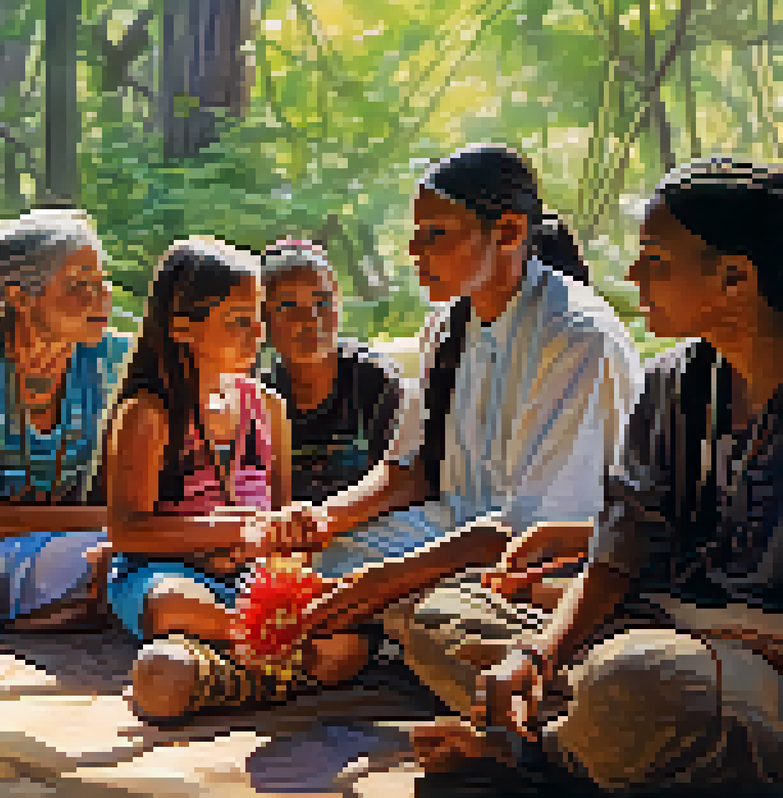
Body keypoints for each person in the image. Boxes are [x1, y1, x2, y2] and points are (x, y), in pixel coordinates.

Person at [139, 144, 643, 722]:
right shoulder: (448, 323)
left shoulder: (576, 336)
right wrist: (316, 524)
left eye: (435, 234)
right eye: (416, 233)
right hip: (452, 532)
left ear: (509, 232)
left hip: (532, 561)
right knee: (302, 570)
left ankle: (259, 669)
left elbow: (528, 534)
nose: (413, 251)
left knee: (415, 606)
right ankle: (309, 654)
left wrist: (382, 581)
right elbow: (406, 473)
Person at [408, 158, 783, 792]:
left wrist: (696, 631)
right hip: (669, 627)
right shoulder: (671, 383)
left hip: (740, 659)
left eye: (657, 260)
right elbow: (620, 554)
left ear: (735, 278)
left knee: (642, 679)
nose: (632, 274)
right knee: (446, 614)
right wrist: (534, 655)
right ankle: (588, 738)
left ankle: (539, 758)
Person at [101, 238, 324, 721]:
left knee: (335, 609)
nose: (258, 333)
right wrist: (226, 530)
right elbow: (126, 532)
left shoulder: (269, 408)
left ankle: (224, 670)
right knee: (174, 605)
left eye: (258, 317)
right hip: (169, 575)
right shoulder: (147, 414)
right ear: (183, 327)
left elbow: (280, 521)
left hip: (247, 579)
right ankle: (277, 654)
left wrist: (284, 562)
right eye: (239, 320)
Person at [0, 209, 131, 631]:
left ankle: (76, 608)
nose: (101, 297)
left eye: (101, 280)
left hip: (86, 542)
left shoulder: (115, 359)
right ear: (18, 297)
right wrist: (121, 523)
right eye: (79, 285)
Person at [258, 239, 407, 505]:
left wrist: (324, 521)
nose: (311, 319)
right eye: (289, 306)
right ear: (263, 319)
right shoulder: (257, 396)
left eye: (323, 301)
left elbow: (399, 483)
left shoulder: (374, 381)